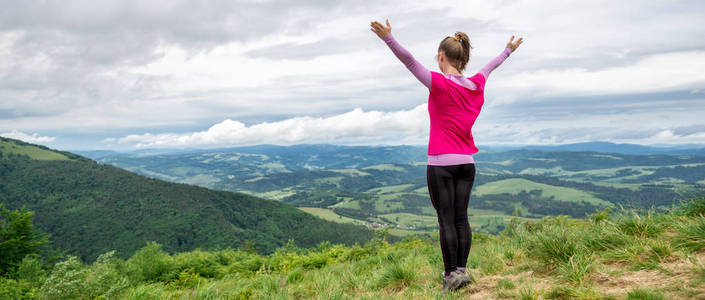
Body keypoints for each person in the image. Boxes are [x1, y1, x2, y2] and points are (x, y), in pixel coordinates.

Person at [370, 19, 522, 292]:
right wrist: (508, 50)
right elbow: (491, 66)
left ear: (441, 56)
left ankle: (450, 275)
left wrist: (388, 38)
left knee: (446, 220)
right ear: (463, 58)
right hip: (467, 163)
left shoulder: (438, 82)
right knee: (462, 218)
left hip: (441, 163)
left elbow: (408, 61)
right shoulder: (476, 83)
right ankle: (462, 272)